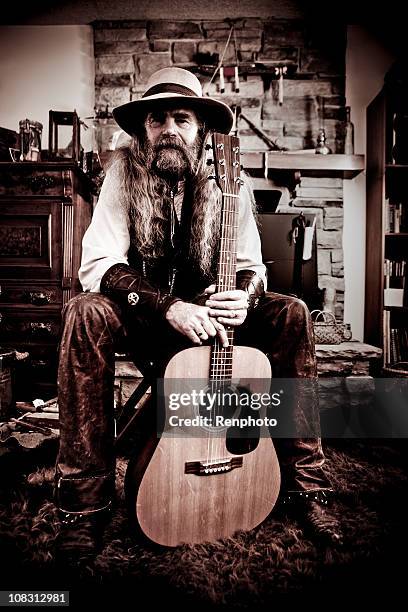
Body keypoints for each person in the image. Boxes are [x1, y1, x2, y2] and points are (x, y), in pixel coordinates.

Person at [55, 67, 342, 562]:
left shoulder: (229, 181)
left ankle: (306, 488)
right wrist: (168, 308)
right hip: (145, 320)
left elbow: (254, 267)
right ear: (143, 131)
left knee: (292, 313)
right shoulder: (123, 173)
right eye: (157, 119)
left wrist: (244, 298)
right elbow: (97, 265)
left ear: (202, 131)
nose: (168, 128)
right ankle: (84, 505)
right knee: (84, 312)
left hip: (214, 325)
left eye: (181, 118)